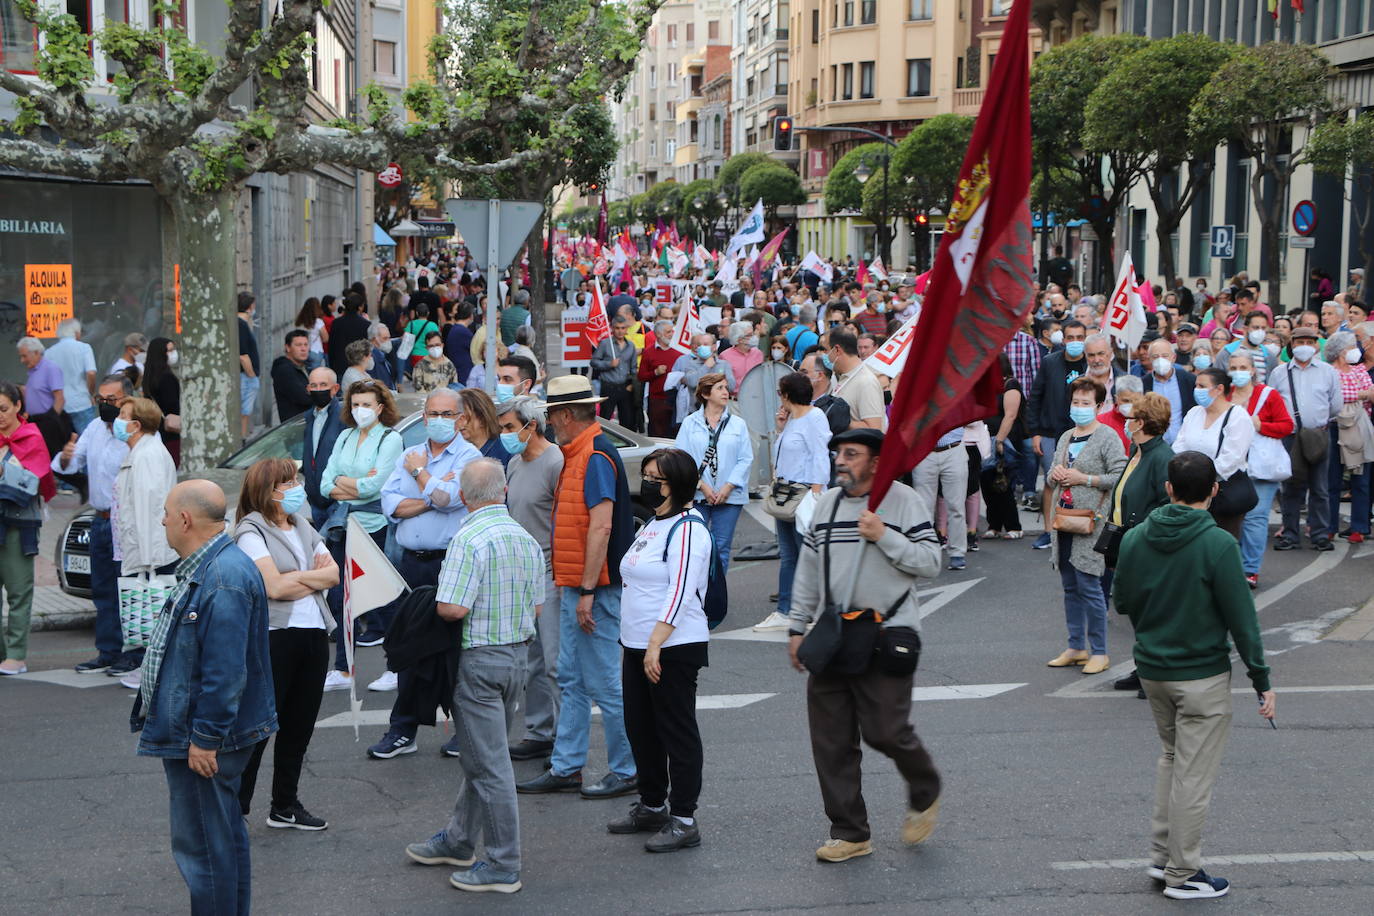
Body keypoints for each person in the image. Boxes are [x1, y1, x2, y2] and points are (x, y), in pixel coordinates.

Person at [1111, 452, 1275, 901]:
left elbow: (1121, 601)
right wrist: (1262, 680)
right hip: (1201, 674)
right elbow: (1243, 621)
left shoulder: (1136, 537)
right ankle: (1183, 872)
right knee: (1192, 774)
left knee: (1171, 758)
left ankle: (1164, 856)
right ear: (1215, 491)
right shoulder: (1219, 545)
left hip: (1153, 670)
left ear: (1168, 488)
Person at [786, 428, 943, 863]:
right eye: (838, 453)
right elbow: (808, 569)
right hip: (835, 635)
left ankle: (925, 786)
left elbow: (931, 562)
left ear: (876, 461)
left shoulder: (904, 501)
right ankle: (850, 832)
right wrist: (797, 627)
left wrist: (884, 535)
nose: (841, 461)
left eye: (851, 454)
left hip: (888, 632)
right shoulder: (828, 506)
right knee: (831, 740)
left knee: (885, 732)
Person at [132, 480, 275, 915]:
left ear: (186, 519)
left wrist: (206, 738)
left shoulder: (222, 577)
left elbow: (225, 670)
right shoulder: (215, 567)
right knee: (223, 836)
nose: (162, 521)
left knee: (204, 850)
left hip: (208, 737)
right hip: (210, 730)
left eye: (166, 513)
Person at [403, 458, 544, 894]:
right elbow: (537, 607)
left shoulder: (468, 538)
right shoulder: (526, 538)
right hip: (517, 657)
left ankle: (503, 864)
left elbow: (453, 608)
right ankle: (460, 840)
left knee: (490, 767)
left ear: (463, 496)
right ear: (503, 491)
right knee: (483, 759)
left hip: (480, 660)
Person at [517, 376, 638, 800]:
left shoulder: (596, 455)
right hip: (578, 585)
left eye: (550, 414)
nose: (549, 422)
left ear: (567, 415)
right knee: (571, 677)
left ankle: (626, 769)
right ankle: (568, 766)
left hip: (593, 589)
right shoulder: (581, 453)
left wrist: (587, 590)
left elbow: (601, 527)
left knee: (604, 682)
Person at [368, 389, 482, 759]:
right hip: (412, 563)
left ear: (462, 418)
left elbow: (452, 499)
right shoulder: (408, 452)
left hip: (450, 562)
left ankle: (462, 730)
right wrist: (431, 492)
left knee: (454, 649)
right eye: (432, 412)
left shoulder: (469, 457)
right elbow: (391, 506)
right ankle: (403, 730)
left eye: (447, 413)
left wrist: (419, 475)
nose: (438, 420)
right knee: (410, 644)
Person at [607, 448, 711, 853]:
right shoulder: (653, 523)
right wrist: (637, 644)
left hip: (672, 646)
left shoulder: (688, 529)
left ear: (679, 484)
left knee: (676, 732)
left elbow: (682, 590)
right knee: (642, 729)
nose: (648, 483)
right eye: (647, 475)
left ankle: (684, 818)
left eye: (657, 478)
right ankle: (652, 804)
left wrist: (655, 644)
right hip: (637, 646)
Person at [233, 458, 338, 829]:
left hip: (313, 634)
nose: (296, 488)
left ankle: (285, 804)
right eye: (288, 482)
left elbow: (334, 574)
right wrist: (312, 577)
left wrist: (297, 576)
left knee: (299, 725)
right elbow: (272, 587)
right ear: (268, 489)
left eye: (296, 481)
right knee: (261, 726)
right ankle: (236, 807)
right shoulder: (251, 532)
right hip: (275, 637)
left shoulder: (301, 525)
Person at [497, 396, 565, 761]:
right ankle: (541, 731)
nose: (505, 435)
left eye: (509, 427)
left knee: (555, 663)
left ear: (531, 425)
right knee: (532, 662)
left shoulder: (556, 462)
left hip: (551, 574)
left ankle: (567, 744)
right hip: (522, 576)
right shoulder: (513, 462)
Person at [1046, 378, 1128, 675]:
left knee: (1090, 586)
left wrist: (1086, 479)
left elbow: (1120, 475)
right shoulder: (1067, 435)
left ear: (1098, 405)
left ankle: (1100, 651)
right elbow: (1050, 480)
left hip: (1091, 521)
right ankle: (1076, 646)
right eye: (1075, 402)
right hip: (1064, 519)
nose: (1079, 408)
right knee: (1070, 586)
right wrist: (1054, 474)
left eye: (1085, 403)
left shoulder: (1107, 436)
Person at [56, 376, 132, 674]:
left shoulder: (136, 432)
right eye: (100, 400)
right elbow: (73, 461)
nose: (105, 405)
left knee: (127, 587)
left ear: (127, 399)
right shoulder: (95, 427)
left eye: (111, 400)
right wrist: (66, 457)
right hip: (100, 521)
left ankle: (135, 653)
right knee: (102, 590)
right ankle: (108, 652)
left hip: (126, 522)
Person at [320, 380, 405, 648]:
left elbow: (374, 488)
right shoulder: (346, 436)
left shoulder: (390, 439)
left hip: (373, 524)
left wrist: (342, 481)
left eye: (366, 405)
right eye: (355, 404)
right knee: (339, 587)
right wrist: (353, 484)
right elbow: (324, 484)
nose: (360, 410)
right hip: (342, 522)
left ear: (379, 407)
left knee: (375, 585)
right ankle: (348, 640)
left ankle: (388, 638)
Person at [1101, 393, 1175, 697]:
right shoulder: (1137, 450)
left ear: (1141, 423)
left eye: (1131, 418)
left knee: (1151, 613)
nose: (1127, 422)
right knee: (1137, 611)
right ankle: (1144, 666)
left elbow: (1164, 505)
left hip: (1145, 545)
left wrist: (1143, 536)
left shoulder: (1161, 457)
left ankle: (1154, 673)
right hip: (1125, 540)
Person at [754, 372, 832, 632]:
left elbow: (820, 454)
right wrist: (780, 429)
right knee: (789, 555)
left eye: (780, 393)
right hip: (785, 495)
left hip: (804, 495)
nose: (779, 398)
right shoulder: (791, 420)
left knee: (808, 554)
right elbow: (783, 455)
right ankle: (786, 610)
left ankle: (816, 610)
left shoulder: (814, 417)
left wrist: (816, 492)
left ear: (788, 395)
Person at [111, 396, 180, 688]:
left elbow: (150, 509)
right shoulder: (141, 452)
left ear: (136, 424)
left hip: (151, 554)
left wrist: (148, 561)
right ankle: (150, 667)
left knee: (154, 611)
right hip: (143, 551)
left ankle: (154, 671)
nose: (117, 420)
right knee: (149, 612)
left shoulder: (147, 455)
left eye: (123, 415)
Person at [0, 383, 57, 676]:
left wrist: (4, 471)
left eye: (3, 409)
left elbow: (35, 480)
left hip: (19, 525)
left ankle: (16, 656)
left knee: (18, 592)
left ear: (18, 407)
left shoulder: (31, 436)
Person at [1268, 326, 1342, 550]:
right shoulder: (1280, 373)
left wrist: (1316, 422)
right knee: (1291, 487)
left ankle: (1320, 533)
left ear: (1316, 345)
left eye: (1309, 342)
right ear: (1292, 345)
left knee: (1320, 487)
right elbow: (1272, 404)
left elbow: (1335, 405)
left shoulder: (1327, 371)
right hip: (1289, 437)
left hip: (1318, 434)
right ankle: (1290, 533)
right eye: (1300, 342)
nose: (1304, 347)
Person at [674, 374, 753, 574]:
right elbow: (682, 459)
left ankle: (716, 598)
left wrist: (729, 486)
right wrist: (701, 485)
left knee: (721, 549)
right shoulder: (690, 423)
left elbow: (745, 459)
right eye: (720, 388)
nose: (726, 392)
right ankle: (696, 594)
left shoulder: (738, 424)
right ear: (706, 394)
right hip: (698, 496)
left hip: (730, 497)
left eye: (726, 388)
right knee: (695, 548)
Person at [1227, 353, 1295, 587]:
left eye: (1243, 367)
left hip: (1261, 466)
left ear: (1253, 370)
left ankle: (1250, 569)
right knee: (1230, 517)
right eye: (1234, 367)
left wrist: (1261, 425)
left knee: (1255, 517)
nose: (1238, 371)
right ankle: (1231, 566)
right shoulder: (1224, 394)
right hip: (1230, 465)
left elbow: (1287, 425)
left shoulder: (1268, 395)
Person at [1173, 368, 1254, 540]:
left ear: (1218, 389)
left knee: (1221, 542)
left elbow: (1231, 458)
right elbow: (1179, 447)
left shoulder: (1237, 417)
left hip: (1223, 494)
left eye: (1202, 386)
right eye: (1196, 385)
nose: (1197, 390)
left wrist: (1201, 479)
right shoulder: (1194, 413)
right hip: (1191, 493)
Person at [1324, 331, 1374, 543]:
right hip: (1333, 427)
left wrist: (1347, 396)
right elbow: (1330, 396)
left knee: (1361, 479)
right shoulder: (1327, 372)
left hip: (1358, 428)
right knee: (1331, 480)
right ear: (1340, 351)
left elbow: (1371, 393)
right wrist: (1360, 395)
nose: (1357, 349)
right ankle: (1328, 527)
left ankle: (1359, 528)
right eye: (1351, 346)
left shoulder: (1359, 369)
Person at [983, 354, 1029, 539]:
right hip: (985, 438)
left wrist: (999, 440)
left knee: (1004, 483)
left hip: (1004, 439)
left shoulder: (1010, 384)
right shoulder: (987, 386)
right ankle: (994, 525)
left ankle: (1013, 526)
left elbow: (1010, 415)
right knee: (987, 482)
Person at [45, 318, 98, 433]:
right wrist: (91, 393)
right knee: (87, 443)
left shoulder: (49, 352)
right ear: (77, 333)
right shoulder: (84, 348)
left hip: (60, 407)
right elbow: (91, 373)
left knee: (64, 446)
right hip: (82, 402)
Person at [826, 330, 885, 430]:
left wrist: (840, 421)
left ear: (837, 350)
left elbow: (874, 428)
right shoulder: (845, 377)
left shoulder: (866, 382)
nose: (826, 356)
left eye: (827, 351)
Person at [1141, 337, 1196, 445]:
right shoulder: (1143, 384)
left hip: (1184, 444)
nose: (1160, 360)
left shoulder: (1189, 380)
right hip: (1155, 445)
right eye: (1155, 357)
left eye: (1165, 356)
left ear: (1173, 357)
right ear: (1150, 359)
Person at [639, 319, 684, 438]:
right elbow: (641, 376)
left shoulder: (680, 351)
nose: (672, 334)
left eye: (672, 331)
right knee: (657, 432)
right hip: (657, 400)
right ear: (658, 334)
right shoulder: (649, 352)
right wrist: (655, 372)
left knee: (676, 432)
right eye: (668, 332)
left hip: (677, 399)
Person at [142, 337, 183, 467]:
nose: (173, 353)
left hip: (158, 429)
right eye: (169, 350)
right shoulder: (167, 378)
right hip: (171, 432)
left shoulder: (149, 376)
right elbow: (172, 405)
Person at [592, 317, 638, 426]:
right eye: (617, 328)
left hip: (625, 386)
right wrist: (609, 364)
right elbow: (593, 362)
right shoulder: (605, 344)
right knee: (605, 419)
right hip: (608, 386)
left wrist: (632, 384)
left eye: (623, 328)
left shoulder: (631, 345)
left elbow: (634, 368)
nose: (620, 331)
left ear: (627, 329)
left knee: (627, 420)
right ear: (612, 328)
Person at [799, 350, 852, 436]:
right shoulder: (797, 402)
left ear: (820, 375)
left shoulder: (834, 408)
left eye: (804, 372)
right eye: (798, 371)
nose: (798, 376)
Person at [456, 387, 511, 466]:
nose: (460, 423)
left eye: (465, 417)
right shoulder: (457, 451)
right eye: (457, 418)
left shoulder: (504, 452)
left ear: (482, 418)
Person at [327, 293, 373, 378]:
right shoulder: (365, 324)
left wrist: (332, 365)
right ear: (360, 307)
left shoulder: (336, 323)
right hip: (358, 365)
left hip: (339, 365)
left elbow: (331, 346)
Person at [271, 329, 314, 422]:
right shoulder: (284, 370)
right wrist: (315, 391)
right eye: (298, 345)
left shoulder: (305, 366)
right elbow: (304, 399)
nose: (303, 349)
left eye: (306, 344)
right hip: (295, 424)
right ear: (288, 347)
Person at [238, 292, 261, 440]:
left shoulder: (243, 324)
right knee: (244, 412)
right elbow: (243, 355)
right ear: (250, 306)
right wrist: (252, 375)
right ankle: (242, 439)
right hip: (246, 376)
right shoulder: (241, 325)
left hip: (246, 376)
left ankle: (243, 437)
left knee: (245, 411)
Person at [719, 321, 763, 394]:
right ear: (739, 339)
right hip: (734, 400)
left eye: (753, 334)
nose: (753, 337)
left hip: (756, 398)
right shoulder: (725, 356)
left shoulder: (758, 354)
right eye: (749, 335)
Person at [403, 303, 441, 369]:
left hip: (415, 354)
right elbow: (438, 340)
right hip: (429, 354)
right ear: (428, 313)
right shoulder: (433, 325)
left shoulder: (411, 324)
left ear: (417, 313)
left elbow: (405, 339)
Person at [295, 297, 329, 369]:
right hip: (316, 351)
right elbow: (326, 338)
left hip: (302, 351)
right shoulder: (318, 322)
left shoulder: (300, 322)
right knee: (315, 376)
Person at [367, 322, 398, 391]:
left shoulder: (385, 354)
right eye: (385, 338)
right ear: (374, 340)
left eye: (389, 338)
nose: (388, 341)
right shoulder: (370, 359)